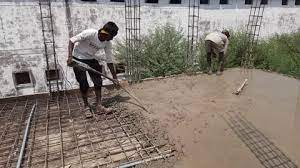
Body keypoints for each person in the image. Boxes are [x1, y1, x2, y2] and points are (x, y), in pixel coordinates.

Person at [67, 21, 119, 118]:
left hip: (90, 59)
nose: (111, 39)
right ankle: (86, 106)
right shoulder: (90, 33)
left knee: (98, 81)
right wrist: (70, 57)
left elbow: (109, 60)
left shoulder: (107, 43)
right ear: (105, 33)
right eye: (111, 36)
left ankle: (99, 105)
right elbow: (71, 40)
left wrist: (115, 77)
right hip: (78, 58)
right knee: (84, 83)